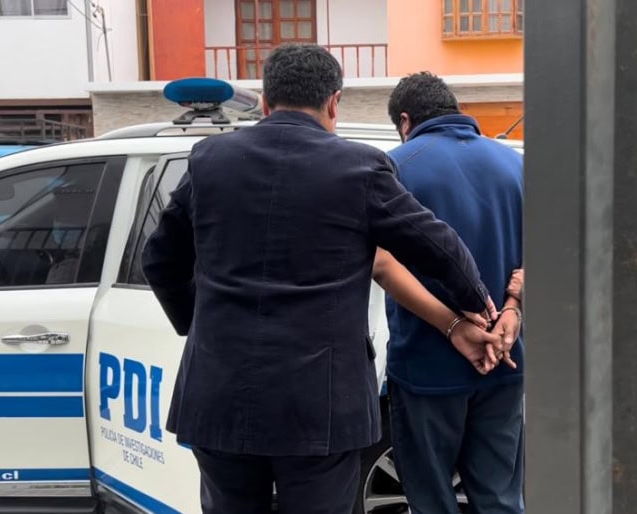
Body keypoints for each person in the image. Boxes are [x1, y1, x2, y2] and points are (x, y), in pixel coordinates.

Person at [141, 45, 498, 514]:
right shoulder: (359, 168)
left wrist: (196, 323)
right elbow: (439, 248)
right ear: (334, 102)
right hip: (321, 406)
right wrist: (478, 305)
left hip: (219, 393)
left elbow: (159, 259)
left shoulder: (210, 159)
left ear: (265, 102)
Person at [375, 72, 525, 514]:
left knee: (431, 500)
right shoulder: (515, 164)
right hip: (505, 359)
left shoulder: (394, 167)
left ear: (405, 121)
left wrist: (455, 325)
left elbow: (381, 263)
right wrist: (513, 309)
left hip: (427, 366)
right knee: (500, 499)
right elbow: (548, 247)